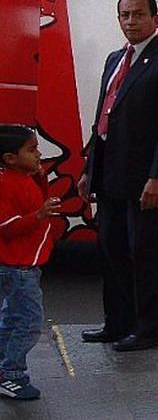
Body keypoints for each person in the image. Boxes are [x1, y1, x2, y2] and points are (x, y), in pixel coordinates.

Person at [78, 0, 158, 352]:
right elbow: (102, 119)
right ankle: (117, 323)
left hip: (144, 179)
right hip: (109, 173)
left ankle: (149, 330)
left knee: (144, 256)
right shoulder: (115, 59)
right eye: (125, 15)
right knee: (110, 251)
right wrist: (87, 170)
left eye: (139, 14)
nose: (131, 21)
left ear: (155, 19)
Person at [0, 125, 60, 400]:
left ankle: (4, 367)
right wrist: (37, 216)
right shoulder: (7, 184)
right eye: (32, 149)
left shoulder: (23, 178)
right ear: (10, 158)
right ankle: (13, 373)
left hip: (24, 265)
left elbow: (37, 196)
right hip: (17, 267)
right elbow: (6, 225)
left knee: (12, 319)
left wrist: (41, 178)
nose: (38, 155)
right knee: (30, 321)